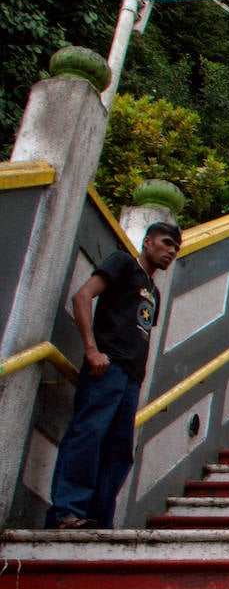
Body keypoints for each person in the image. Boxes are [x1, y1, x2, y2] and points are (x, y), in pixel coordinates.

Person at [45, 222, 182, 530]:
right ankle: (66, 511)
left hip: (131, 379)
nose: (171, 251)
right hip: (107, 369)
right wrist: (91, 350)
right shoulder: (122, 263)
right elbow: (82, 297)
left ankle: (97, 521)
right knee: (88, 435)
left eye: (176, 248)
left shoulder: (154, 292)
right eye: (166, 243)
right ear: (148, 242)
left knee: (119, 452)